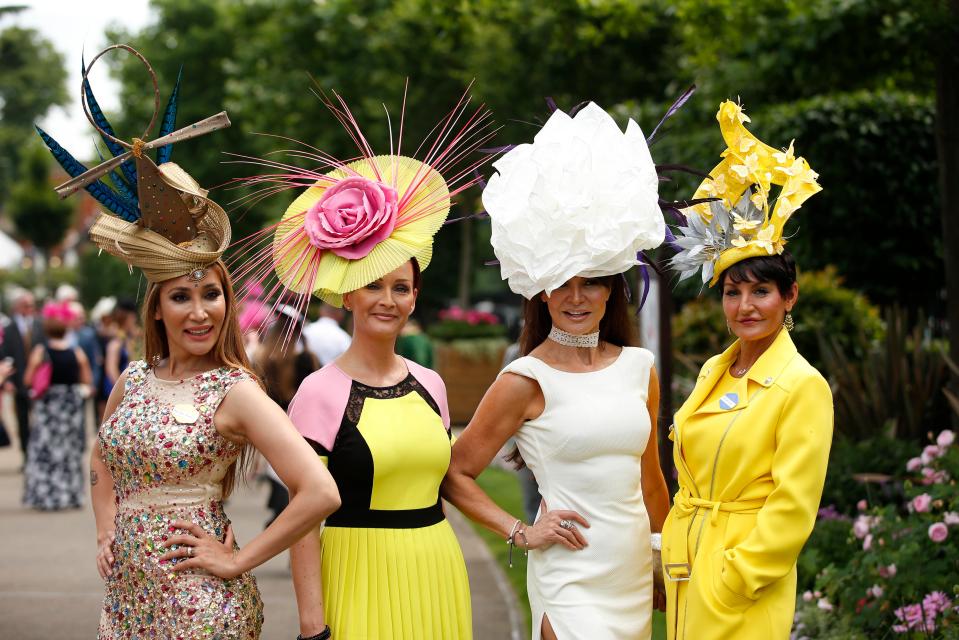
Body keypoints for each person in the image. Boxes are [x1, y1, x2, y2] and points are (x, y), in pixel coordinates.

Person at [39, 44, 340, 639]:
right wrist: (106, 529)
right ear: (157, 307)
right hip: (126, 606)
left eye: (212, 294)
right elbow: (101, 457)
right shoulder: (134, 380)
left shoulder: (234, 391)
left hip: (204, 609)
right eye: (182, 296)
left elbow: (319, 491)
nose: (201, 311)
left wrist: (238, 557)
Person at [232, 88, 493, 639]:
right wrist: (311, 623)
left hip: (437, 571)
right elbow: (304, 518)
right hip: (357, 577)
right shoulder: (318, 394)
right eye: (373, 285)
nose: (388, 300)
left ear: (416, 298)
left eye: (402, 287)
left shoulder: (433, 384)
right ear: (346, 295)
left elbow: (445, 479)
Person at [443, 102, 675, 640]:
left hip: (635, 576)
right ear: (541, 290)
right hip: (571, 582)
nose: (576, 296)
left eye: (591, 281)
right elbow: (455, 472)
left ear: (612, 287)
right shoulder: (525, 379)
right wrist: (520, 531)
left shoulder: (640, 368)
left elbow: (651, 477)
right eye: (562, 282)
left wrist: (663, 558)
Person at [664, 100, 832, 640]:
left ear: (790, 297)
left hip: (739, 588)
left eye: (761, 291)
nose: (745, 306)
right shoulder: (717, 367)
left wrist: (736, 578)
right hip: (687, 572)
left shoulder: (802, 386)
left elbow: (793, 506)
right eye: (733, 292)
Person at [252, 305, 320, 527]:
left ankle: (280, 519)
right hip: (300, 426)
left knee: (278, 476)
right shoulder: (306, 359)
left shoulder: (261, 360)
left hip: (269, 426)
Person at [22, 300, 93, 510]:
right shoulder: (76, 352)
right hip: (70, 407)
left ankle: (46, 495)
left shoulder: (40, 351)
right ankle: (70, 494)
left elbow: (28, 380)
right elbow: (86, 379)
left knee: (45, 451)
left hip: (48, 408)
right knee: (69, 452)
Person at [1, 288, 42, 463]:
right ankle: (27, 455)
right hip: (18, 381)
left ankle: (39, 454)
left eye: (32, 305)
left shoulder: (40, 326)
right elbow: (4, 356)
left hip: (39, 382)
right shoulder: (8, 328)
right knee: (22, 420)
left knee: (40, 420)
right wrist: (7, 381)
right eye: (26, 305)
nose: (29, 308)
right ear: (18, 307)